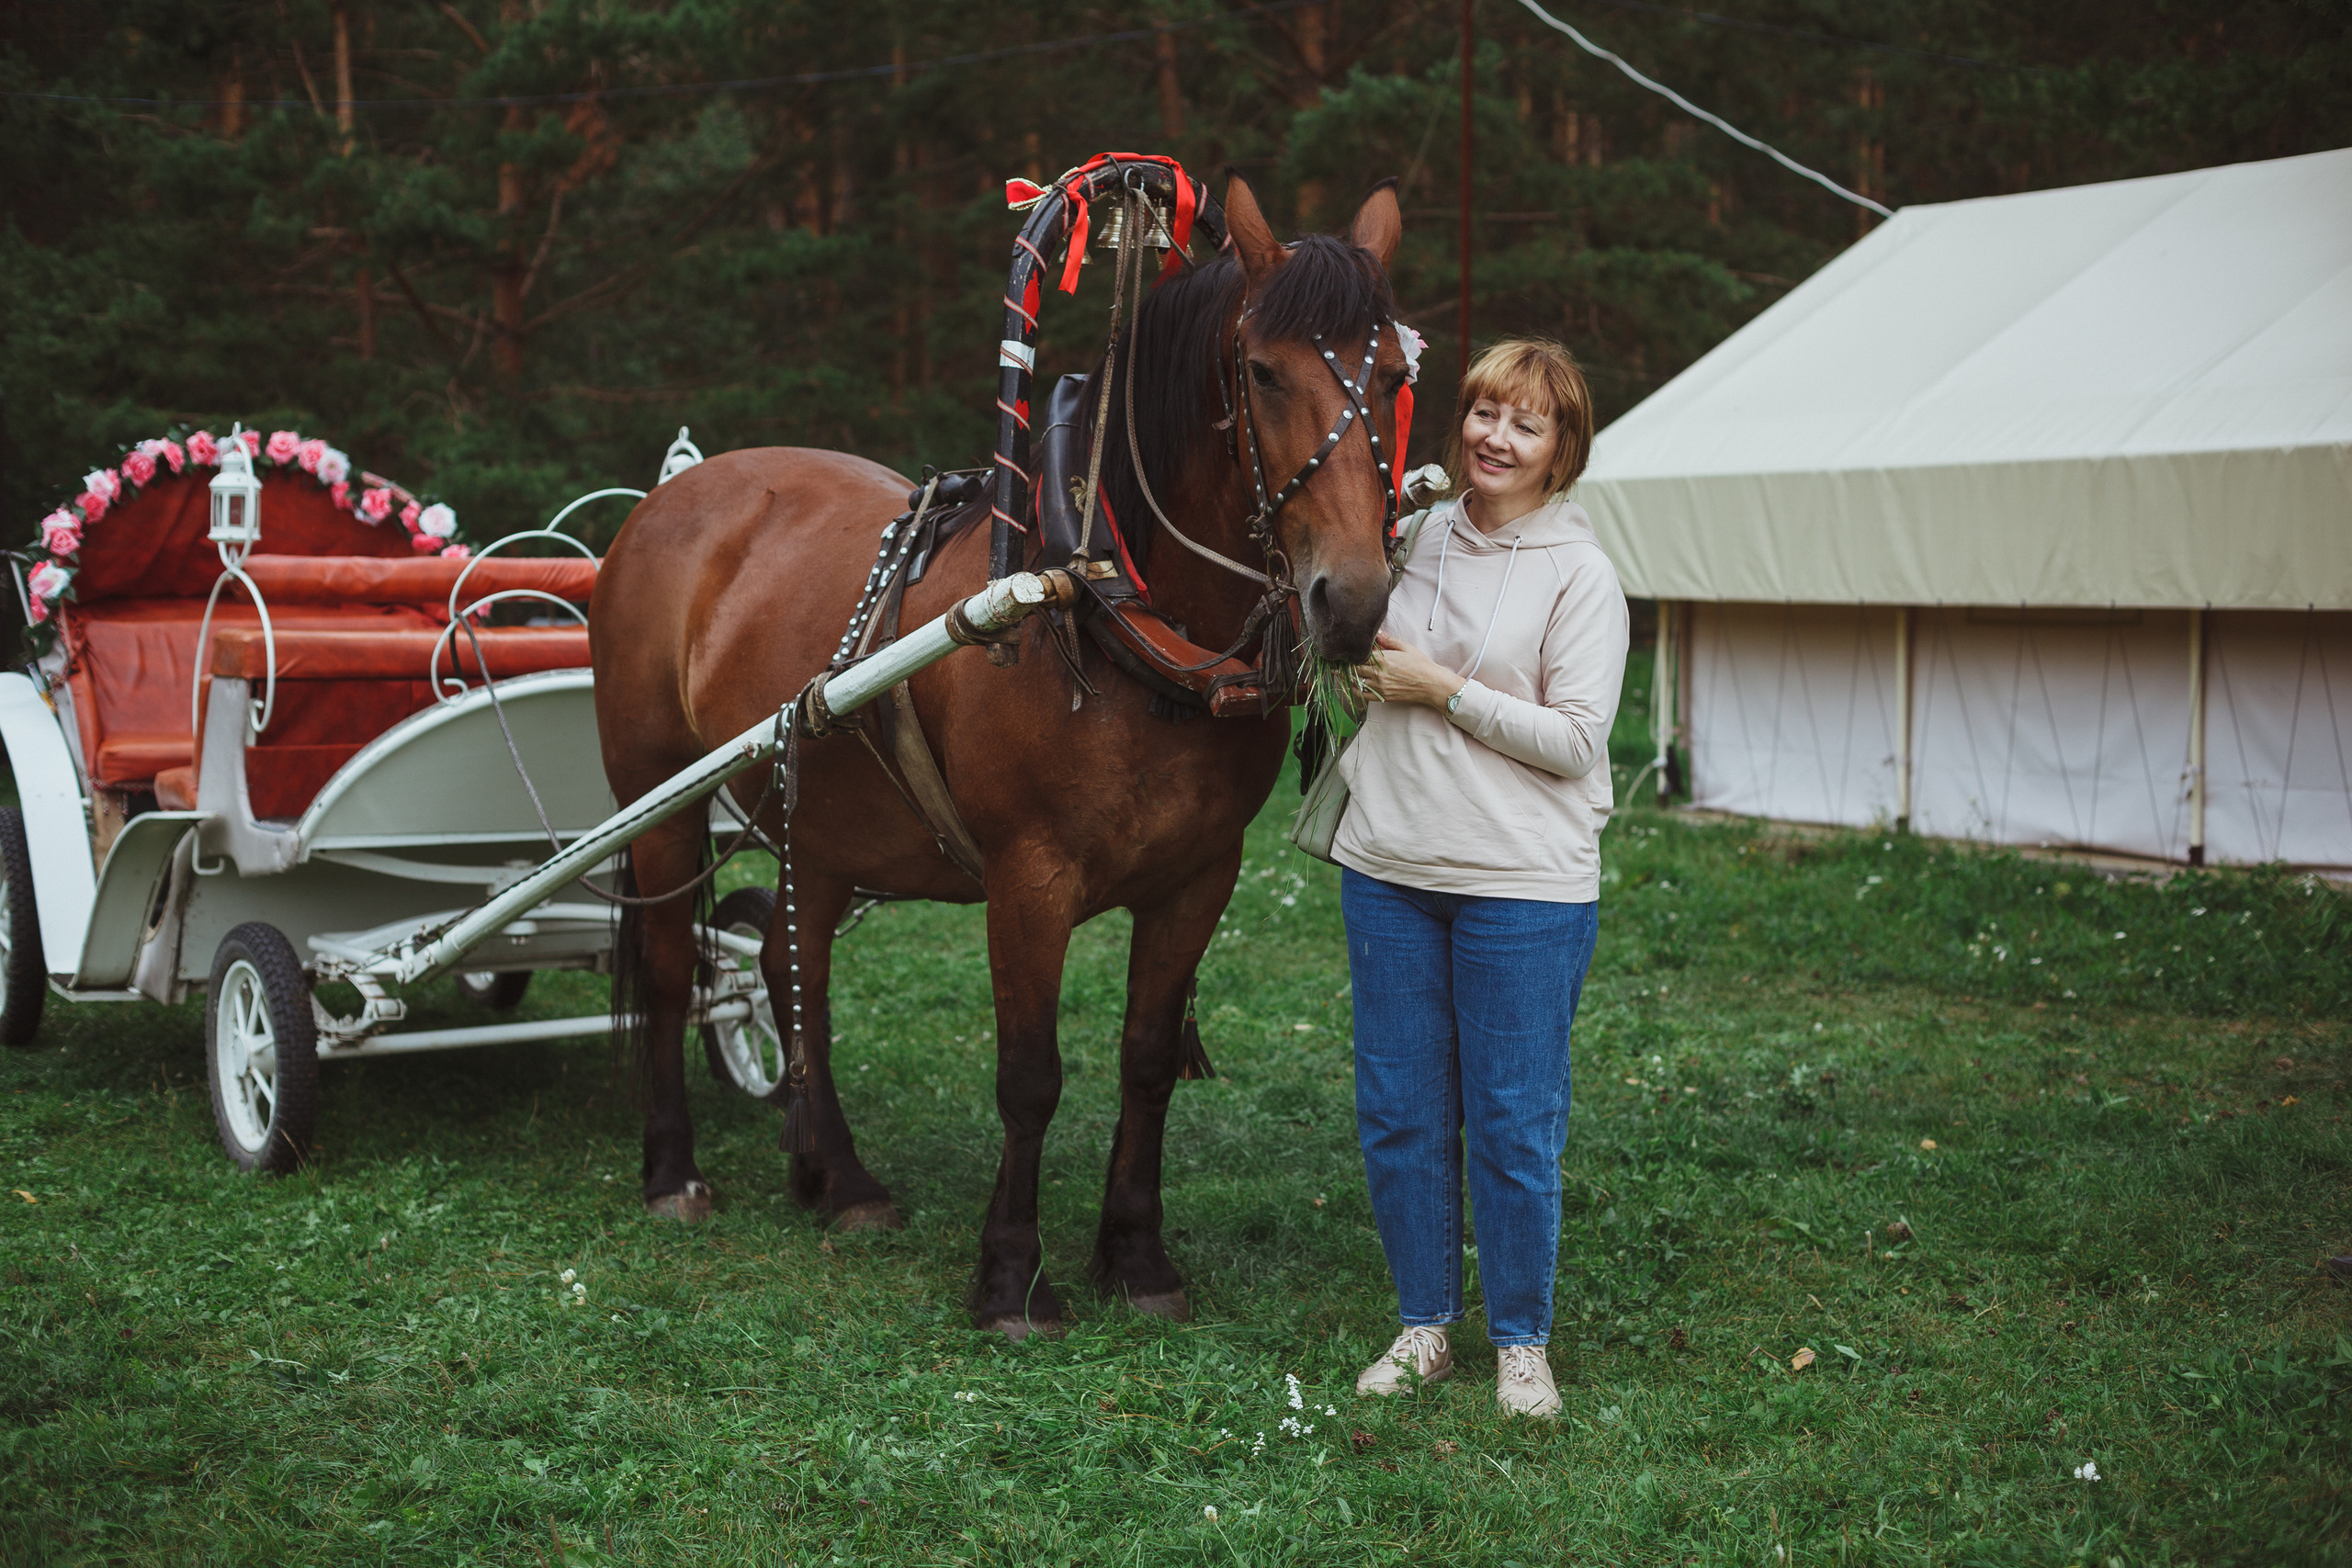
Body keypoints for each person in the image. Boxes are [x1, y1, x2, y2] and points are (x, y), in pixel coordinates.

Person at [1337, 337, 1628, 1417]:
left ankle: (1520, 1343)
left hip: (1523, 886)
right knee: (1401, 1113)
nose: (1494, 439)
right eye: (1481, 414)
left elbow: (1576, 742)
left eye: (1525, 424)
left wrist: (1440, 688)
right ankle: (1424, 1327)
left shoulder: (1580, 575)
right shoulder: (1407, 539)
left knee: (1511, 1120)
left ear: (1563, 450)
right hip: (1389, 866)